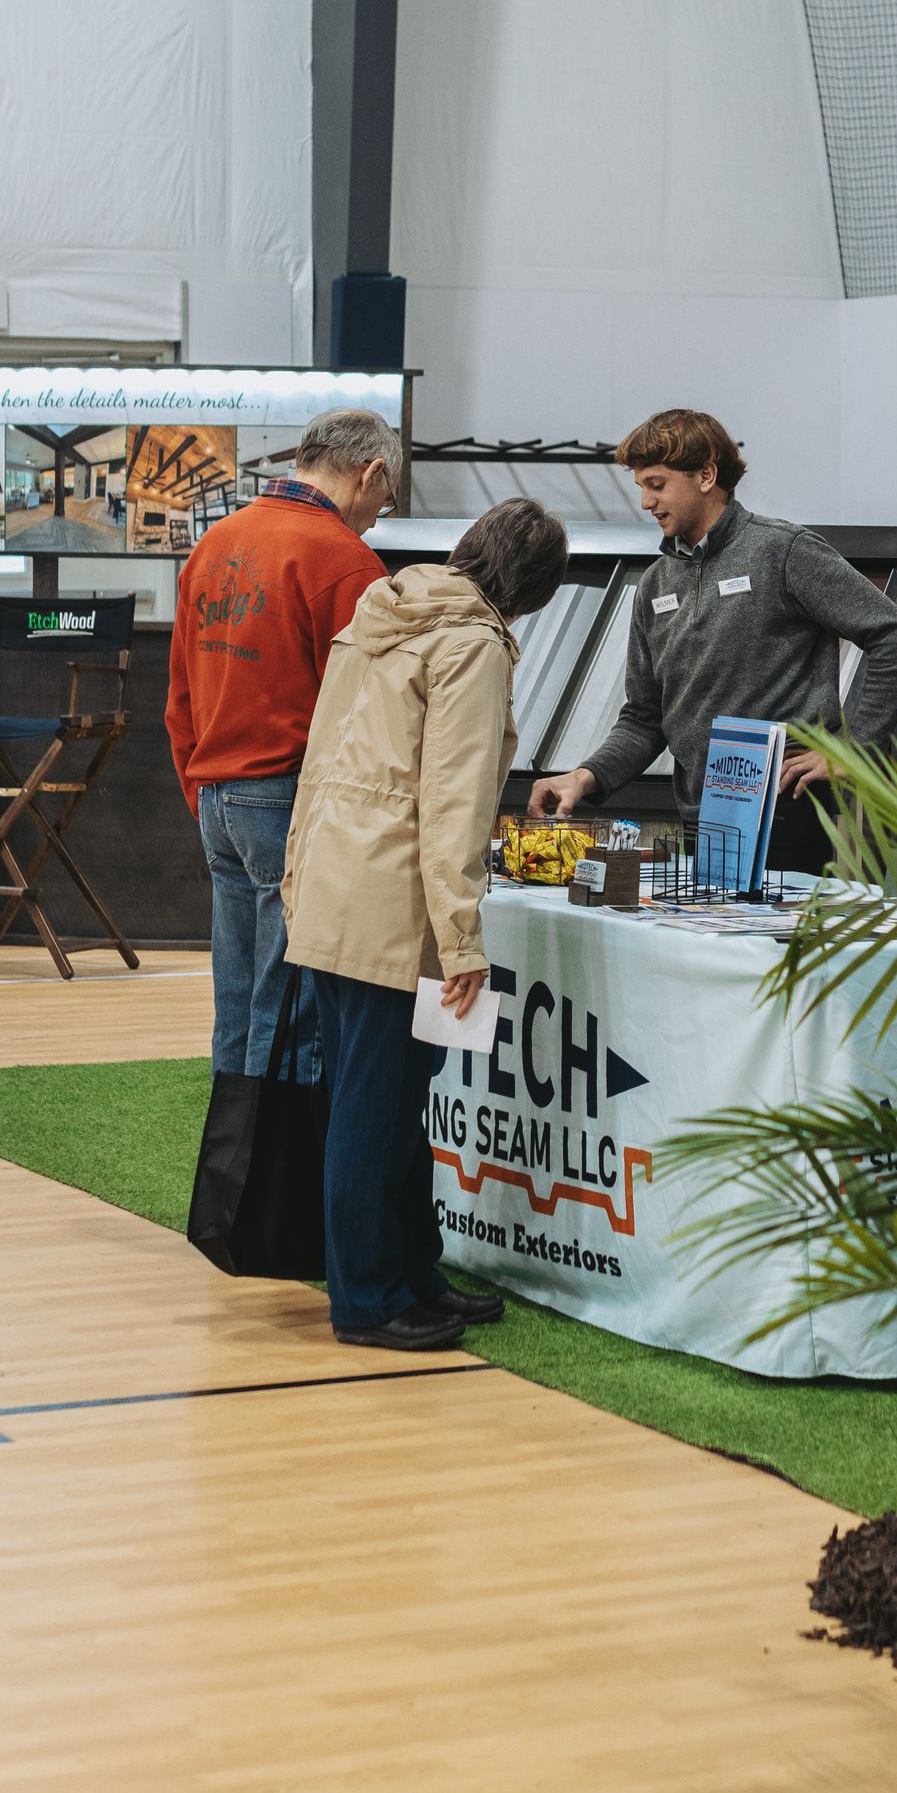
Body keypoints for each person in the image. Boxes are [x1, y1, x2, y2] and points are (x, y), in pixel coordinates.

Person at [283, 498, 570, 1349]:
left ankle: (411, 1272)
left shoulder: (380, 615)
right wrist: (463, 939)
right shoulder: (472, 644)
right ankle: (368, 1298)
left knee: (381, 1103)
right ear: (535, 587)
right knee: (378, 1108)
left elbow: (319, 762)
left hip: (337, 882)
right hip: (395, 903)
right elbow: (455, 805)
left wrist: (298, 879)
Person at [528, 407, 897, 866]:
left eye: (656, 485)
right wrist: (584, 776)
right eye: (640, 488)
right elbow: (644, 717)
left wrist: (855, 751)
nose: (645, 503)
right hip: (701, 819)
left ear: (706, 475)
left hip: (785, 814)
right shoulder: (655, 585)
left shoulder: (783, 551)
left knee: (773, 941)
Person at [167, 408, 401, 1088]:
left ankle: (231, 1173)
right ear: (371, 472)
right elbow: (364, 713)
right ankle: (277, 1180)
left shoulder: (216, 541)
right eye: (382, 504)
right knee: (288, 1009)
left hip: (217, 794)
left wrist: (203, 787)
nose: (375, 520)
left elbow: (179, 691)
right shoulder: (347, 561)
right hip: (287, 799)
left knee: (236, 1004)